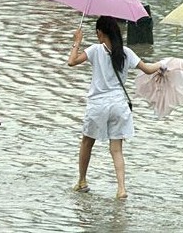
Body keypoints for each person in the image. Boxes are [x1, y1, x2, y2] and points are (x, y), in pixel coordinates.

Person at [67, 16, 166, 199]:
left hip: (98, 105)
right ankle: (121, 189)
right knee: (117, 149)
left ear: (100, 33)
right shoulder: (126, 52)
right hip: (119, 106)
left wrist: (77, 42)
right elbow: (149, 69)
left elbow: (71, 61)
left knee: (87, 143)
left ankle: (82, 181)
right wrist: (163, 65)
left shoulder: (95, 50)